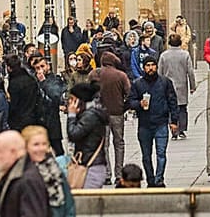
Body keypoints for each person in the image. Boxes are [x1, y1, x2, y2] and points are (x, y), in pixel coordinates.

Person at [129, 52, 182, 186]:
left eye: (153, 65)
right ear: (144, 67)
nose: (151, 68)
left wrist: (174, 121)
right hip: (144, 125)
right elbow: (130, 102)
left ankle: (159, 179)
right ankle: (150, 179)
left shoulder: (165, 82)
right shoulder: (137, 84)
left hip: (161, 123)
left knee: (161, 154)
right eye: (148, 65)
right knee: (146, 156)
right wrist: (139, 104)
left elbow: (172, 102)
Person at [92, 50, 132, 184]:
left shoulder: (95, 74)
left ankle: (106, 174)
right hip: (117, 113)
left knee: (104, 145)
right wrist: (123, 106)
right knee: (119, 143)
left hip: (101, 114)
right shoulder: (121, 75)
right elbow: (129, 93)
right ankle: (119, 174)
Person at [65, 82, 110, 189]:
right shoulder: (89, 114)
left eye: (72, 99)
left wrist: (71, 115)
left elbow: (74, 134)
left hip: (91, 167)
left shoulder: (90, 116)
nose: (69, 102)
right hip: (89, 164)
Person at [157, 34, 196, 140]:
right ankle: (182, 129)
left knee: (170, 108)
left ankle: (173, 130)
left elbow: (159, 72)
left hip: (167, 85)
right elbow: (190, 72)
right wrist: (193, 86)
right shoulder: (185, 55)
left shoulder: (164, 56)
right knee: (182, 108)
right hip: (182, 85)